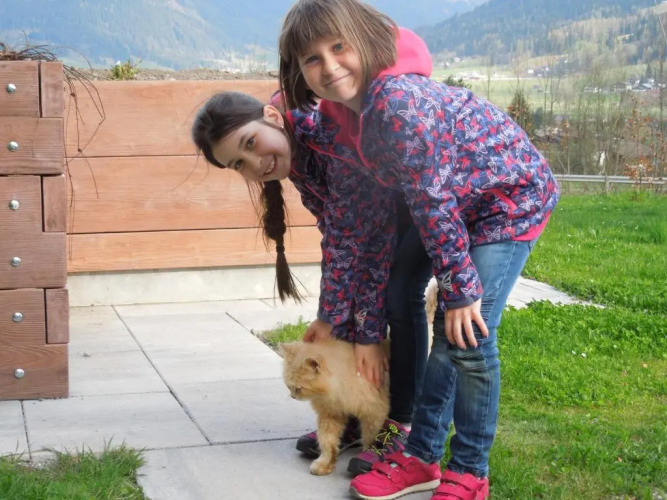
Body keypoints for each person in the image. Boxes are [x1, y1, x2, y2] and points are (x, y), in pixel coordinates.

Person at [277, 1, 560, 499]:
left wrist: (460, 291)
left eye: (339, 47)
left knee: (465, 334)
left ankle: (467, 469)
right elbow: (369, 226)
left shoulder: (397, 101)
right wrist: (348, 321)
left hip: (506, 201)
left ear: (367, 40)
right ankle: (419, 453)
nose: (330, 66)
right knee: (399, 288)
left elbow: (432, 197)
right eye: (312, 59)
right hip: (458, 204)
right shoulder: (344, 115)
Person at [191, 27, 435, 476]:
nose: (255, 164)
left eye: (250, 143)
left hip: (426, 207)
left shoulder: (326, 137)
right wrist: (334, 317)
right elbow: (341, 239)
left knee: (399, 296)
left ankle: (401, 421)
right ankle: (351, 408)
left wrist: (366, 333)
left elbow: (365, 244)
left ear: (271, 116)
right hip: (382, 223)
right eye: (239, 164)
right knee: (347, 314)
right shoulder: (299, 152)